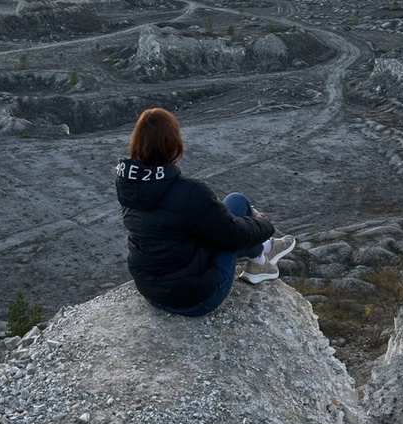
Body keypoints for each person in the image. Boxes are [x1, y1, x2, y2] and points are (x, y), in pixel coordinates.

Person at [115, 106, 296, 317]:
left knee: (225, 211)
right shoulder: (190, 192)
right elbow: (233, 236)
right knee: (237, 203)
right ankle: (261, 259)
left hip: (152, 293)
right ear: (173, 142)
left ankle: (262, 253)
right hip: (196, 299)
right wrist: (264, 224)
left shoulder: (128, 184)